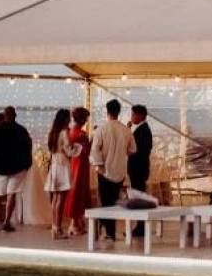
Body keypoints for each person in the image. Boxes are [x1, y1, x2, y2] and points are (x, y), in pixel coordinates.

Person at [90, 99, 135, 242]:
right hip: (120, 170)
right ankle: (109, 229)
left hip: (105, 171)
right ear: (118, 112)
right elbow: (133, 150)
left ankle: (108, 231)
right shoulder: (126, 130)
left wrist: (100, 166)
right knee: (114, 201)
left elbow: (95, 150)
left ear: (107, 111)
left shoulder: (101, 129)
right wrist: (122, 152)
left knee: (105, 202)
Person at [0, 106, 32, 232]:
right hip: (17, 168)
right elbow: (27, 148)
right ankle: (6, 222)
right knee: (11, 194)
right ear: (15, 115)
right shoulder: (22, 131)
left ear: (4, 115)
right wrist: (27, 164)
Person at [44, 108, 79, 239]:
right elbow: (69, 151)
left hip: (54, 164)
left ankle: (54, 227)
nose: (70, 120)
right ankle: (58, 228)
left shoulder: (53, 132)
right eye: (68, 118)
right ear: (64, 119)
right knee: (61, 199)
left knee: (55, 198)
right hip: (63, 165)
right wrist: (78, 147)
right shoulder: (64, 132)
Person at [63, 107, 93, 235]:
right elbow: (87, 151)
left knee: (76, 192)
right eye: (85, 118)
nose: (86, 121)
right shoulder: (80, 134)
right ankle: (75, 223)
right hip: (79, 166)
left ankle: (77, 222)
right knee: (78, 192)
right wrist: (92, 138)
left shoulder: (71, 132)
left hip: (76, 165)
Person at [127, 104, 153, 237]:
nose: (131, 117)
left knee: (138, 196)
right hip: (137, 168)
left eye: (133, 114)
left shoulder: (144, 130)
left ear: (140, 115)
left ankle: (141, 226)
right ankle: (139, 225)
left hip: (139, 168)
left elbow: (139, 150)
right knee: (137, 194)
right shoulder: (140, 129)